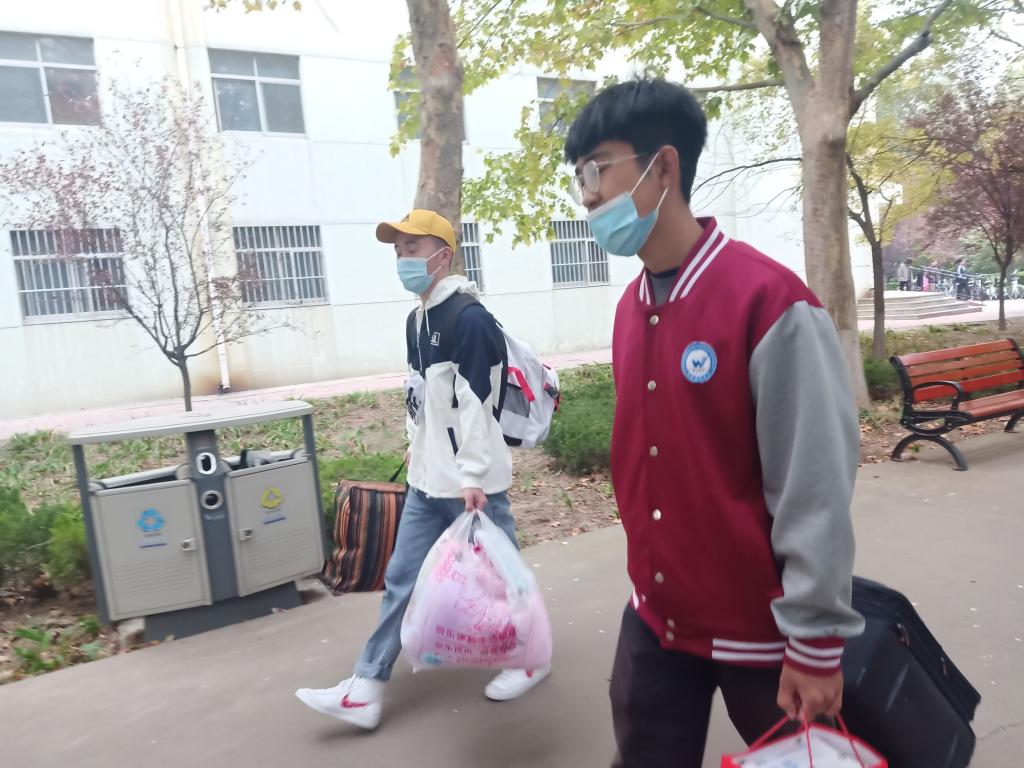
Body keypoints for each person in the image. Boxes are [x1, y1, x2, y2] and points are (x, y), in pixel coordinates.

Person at [563, 77, 864, 767]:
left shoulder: (770, 302)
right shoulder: (631, 307)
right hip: (656, 619)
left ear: (663, 167)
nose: (587, 197)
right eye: (579, 179)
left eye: (597, 171)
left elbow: (814, 486)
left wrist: (815, 643)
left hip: (764, 635)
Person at [294, 209, 549, 730]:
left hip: (472, 485)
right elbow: (420, 396)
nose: (402, 258)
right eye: (398, 250)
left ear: (443, 255)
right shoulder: (417, 320)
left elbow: (478, 401)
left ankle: (530, 657)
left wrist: (472, 476)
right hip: (427, 481)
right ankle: (366, 687)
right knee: (402, 579)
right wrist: (416, 446)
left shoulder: (470, 319)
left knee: (503, 579)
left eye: (412, 248)